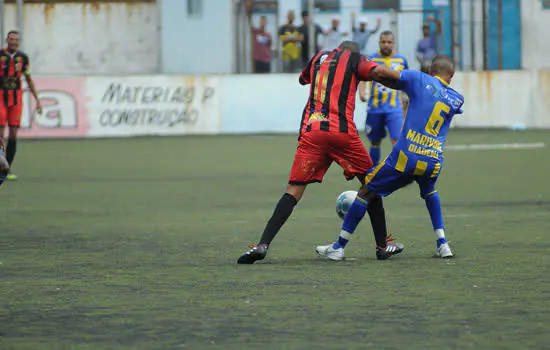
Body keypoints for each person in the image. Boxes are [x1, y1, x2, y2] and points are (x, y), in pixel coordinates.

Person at [237, 41, 403, 264]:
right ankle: (382, 246)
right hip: (341, 133)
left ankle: (262, 245)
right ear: (353, 52)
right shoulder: (355, 59)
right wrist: (406, 79)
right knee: (372, 185)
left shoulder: (318, 58)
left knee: (293, 190)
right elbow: (379, 72)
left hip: (312, 131)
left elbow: (303, 79)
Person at [316, 54, 464, 260]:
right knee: (430, 192)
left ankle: (338, 247)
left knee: (366, 191)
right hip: (432, 160)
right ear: (452, 74)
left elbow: (387, 74)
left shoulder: (420, 79)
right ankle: (443, 244)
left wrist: (364, 69)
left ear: (430, 71)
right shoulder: (457, 99)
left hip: (407, 156)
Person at [359, 31, 408, 166]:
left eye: (389, 42)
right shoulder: (370, 59)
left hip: (394, 108)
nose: (386, 45)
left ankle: (401, 169)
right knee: (375, 141)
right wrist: (361, 92)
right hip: (375, 108)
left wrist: (407, 101)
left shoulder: (401, 60)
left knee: (397, 140)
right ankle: (373, 169)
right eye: (383, 42)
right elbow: (362, 78)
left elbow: (406, 82)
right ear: (379, 43)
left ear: (393, 43)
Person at [0, 30, 42, 181]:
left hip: (16, 100)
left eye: (16, 40)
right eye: (11, 40)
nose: (14, 42)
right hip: (0, 99)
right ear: (7, 40)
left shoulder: (23, 58)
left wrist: (37, 100)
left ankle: (7, 169)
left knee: (13, 135)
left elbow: (28, 79)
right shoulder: (0, 56)